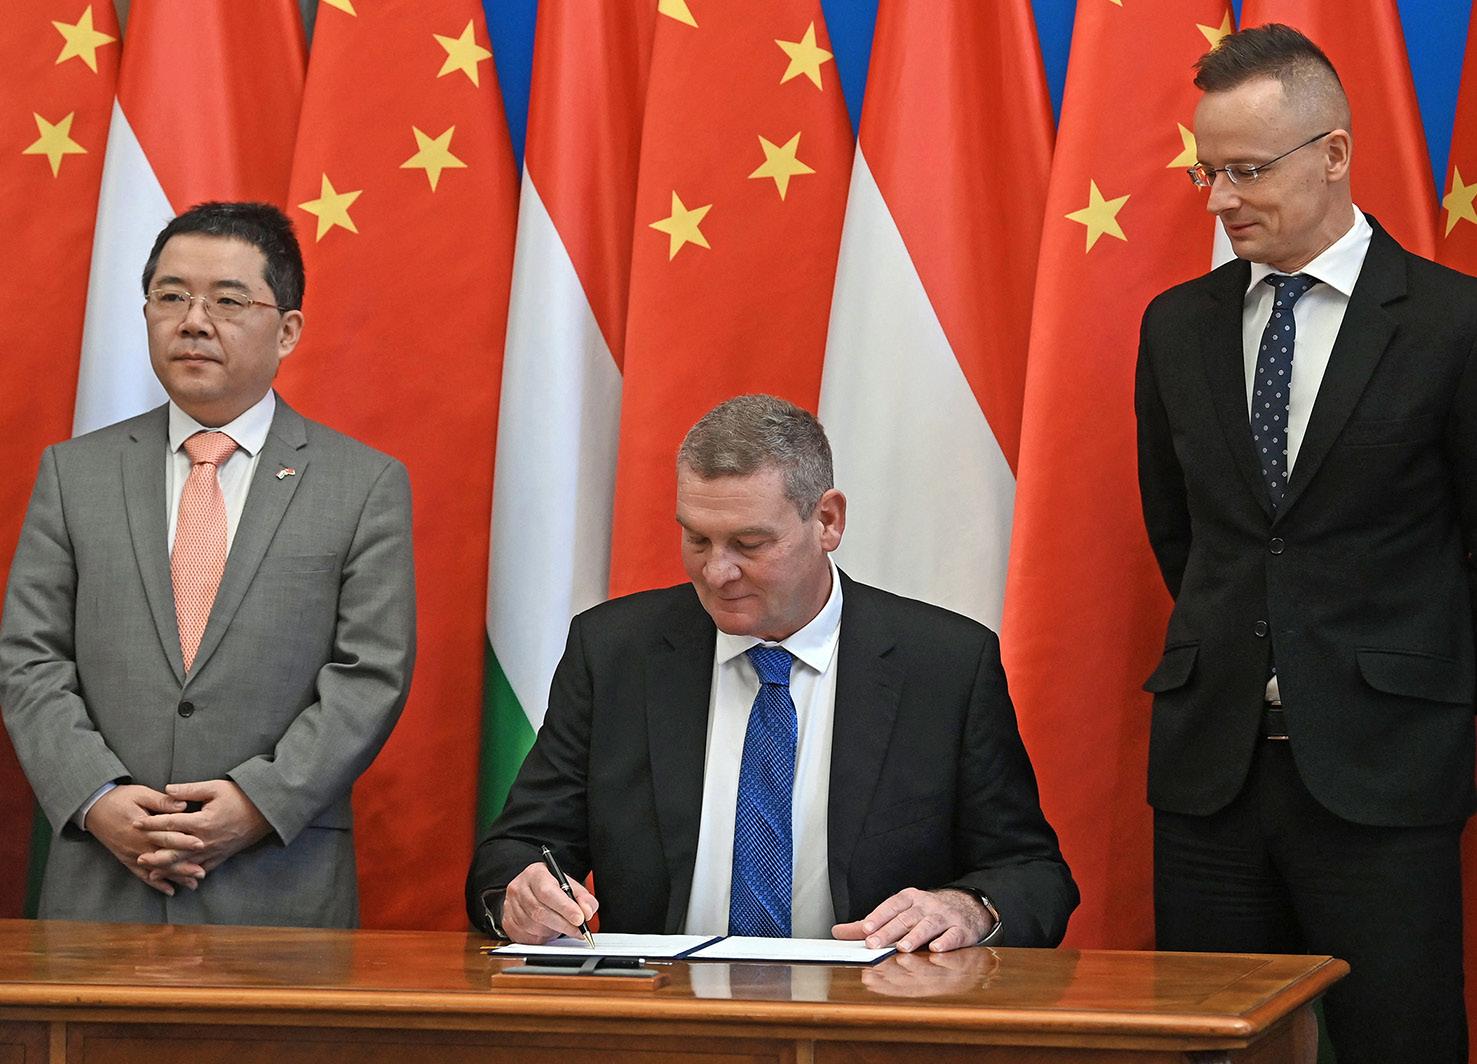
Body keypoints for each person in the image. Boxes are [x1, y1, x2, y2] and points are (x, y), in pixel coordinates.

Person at [1135, 25, 1477, 1064]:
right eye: (1207, 172)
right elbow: (1178, 531)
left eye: (1246, 170)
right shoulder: (1175, 325)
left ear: (1333, 154)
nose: (1219, 199)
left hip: (1384, 771)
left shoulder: (1450, 324)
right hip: (1211, 774)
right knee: (1210, 1045)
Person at [467, 394, 1076, 952]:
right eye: (697, 540)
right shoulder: (613, 652)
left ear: (827, 521)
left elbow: (1032, 875)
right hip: (661, 1009)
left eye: (750, 544)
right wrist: (521, 896)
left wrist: (968, 908)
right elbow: (514, 851)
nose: (717, 572)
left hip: (870, 1010)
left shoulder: (944, 665)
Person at [0, 201, 416, 927]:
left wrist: (259, 802)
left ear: (287, 330)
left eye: (228, 300)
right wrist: (97, 798)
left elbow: (370, 674)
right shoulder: (74, 474)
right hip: (101, 884)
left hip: (279, 887)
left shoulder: (363, 484)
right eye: (171, 297)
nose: (193, 321)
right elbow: (30, 659)